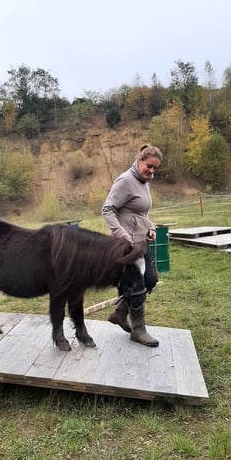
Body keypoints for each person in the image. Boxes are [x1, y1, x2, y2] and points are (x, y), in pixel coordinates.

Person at [101, 144, 162, 347]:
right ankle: (138, 330)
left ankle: (119, 313)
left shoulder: (144, 181)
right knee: (136, 287)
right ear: (139, 161)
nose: (152, 172)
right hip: (125, 246)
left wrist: (151, 227)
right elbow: (107, 210)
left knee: (150, 281)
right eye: (149, 166)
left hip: (140, 242)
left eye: (155, 168)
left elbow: (141, 213)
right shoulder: (125, 180)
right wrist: (123, 236)